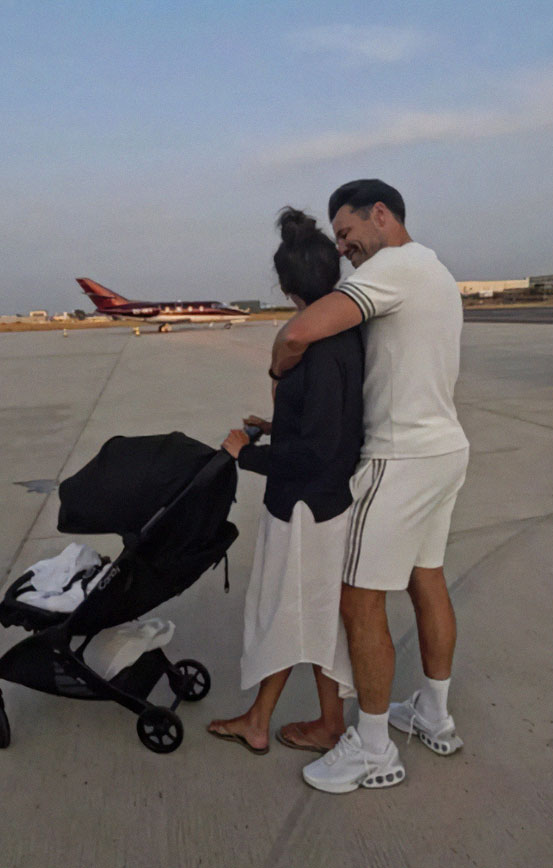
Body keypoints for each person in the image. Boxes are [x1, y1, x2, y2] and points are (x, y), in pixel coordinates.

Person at [270, 179, 469, 793]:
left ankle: (374, 747)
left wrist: (276, 366)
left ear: (379, 214)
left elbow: (302, 331)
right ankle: (434, 715)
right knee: (426, 579)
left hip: (399, 457)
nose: (345, 249)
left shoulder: (393, 268)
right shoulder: (435, 269)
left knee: (358, 599)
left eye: (347, 234)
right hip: (444, 450)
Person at [207, 207, 364, 754]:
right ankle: (304, 720)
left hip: (305, 506)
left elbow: (317, 450)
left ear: (285, 283)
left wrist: (246, 454)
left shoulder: (314, 345)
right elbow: (332, 424)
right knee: (313, 615)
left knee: (290, 613)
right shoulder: (342, 333)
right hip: (324, 502)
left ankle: (276, 721)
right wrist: (276, 425)